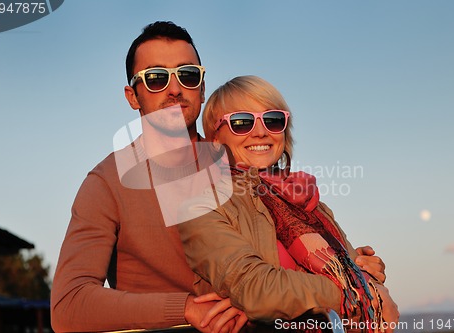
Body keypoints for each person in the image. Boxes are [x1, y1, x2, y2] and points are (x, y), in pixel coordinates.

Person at [51, 21, 387, 333]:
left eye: (187, 75)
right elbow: (69, 304)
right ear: (132, 96)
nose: (174, 88)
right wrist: (184, 309)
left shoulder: (244, 160)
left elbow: (277, 260)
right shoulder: (107, 183)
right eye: (155, 78)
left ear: (201, 87)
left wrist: (347, 263)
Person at [177, 75, 399, 332]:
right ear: (215, 139)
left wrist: (365, 270)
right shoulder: (202, 205)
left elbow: (355, 281)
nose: (260, 131)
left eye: (272, 120)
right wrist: (359, 290)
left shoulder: (308, 202)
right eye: (241, 123)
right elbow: (256, 288)